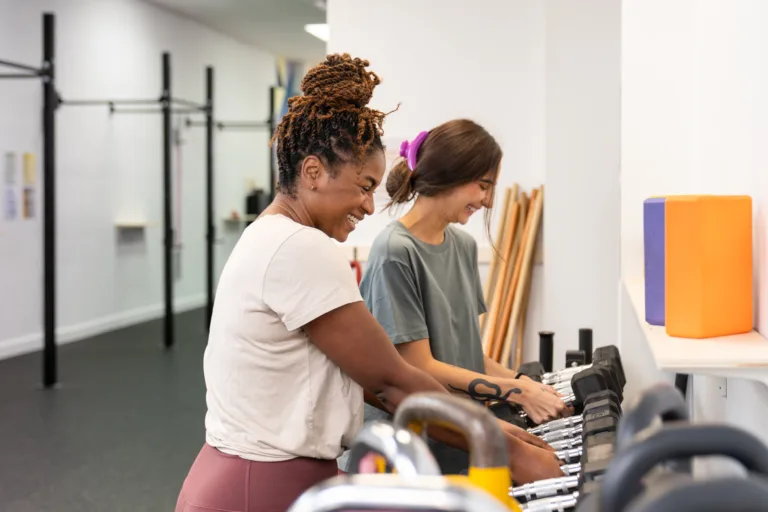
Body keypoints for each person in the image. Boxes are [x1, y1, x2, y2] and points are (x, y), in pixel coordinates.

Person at [175, 55, 563, 512]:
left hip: (262, 475)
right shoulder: (299, 247)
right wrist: (506, 449)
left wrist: (491, 425)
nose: (368, 204)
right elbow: (390, 381)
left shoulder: (273, 236)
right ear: (314, 172)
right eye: (363, 185)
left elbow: (369, 379)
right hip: (259, 484)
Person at [337, 119, 571, 475]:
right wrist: (515, 391)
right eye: (483, 185)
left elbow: (469, 355)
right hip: (409, 447)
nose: (488, 200)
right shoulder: (394, 251)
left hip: (459, 434)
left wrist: (526, 385)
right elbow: (420, 365)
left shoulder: (462, 246)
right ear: (450, 175)